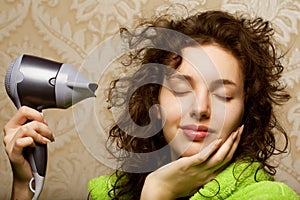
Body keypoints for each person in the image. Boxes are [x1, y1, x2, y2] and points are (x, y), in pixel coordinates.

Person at [3, 10, 299, 200]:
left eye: (223, 95)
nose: (201, 108)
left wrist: (159, 192)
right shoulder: (108, 193)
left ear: (246, 112)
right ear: (155, 106)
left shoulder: (268, 197)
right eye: (181, 89)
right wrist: (23, 184)